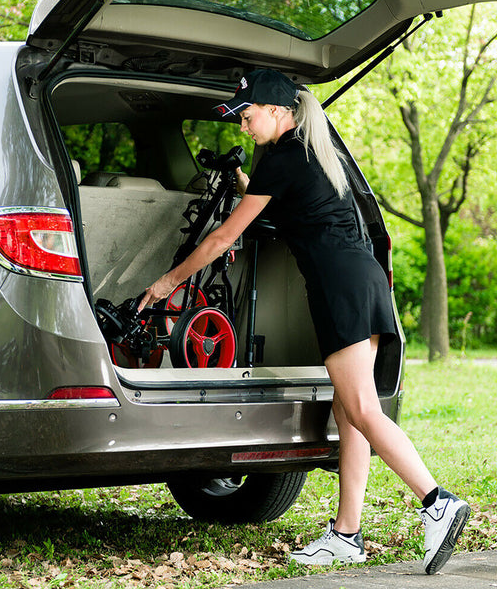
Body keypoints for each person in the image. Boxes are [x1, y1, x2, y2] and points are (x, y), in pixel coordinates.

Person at [138, 68, 470, 574]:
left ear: (277, 111)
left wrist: (167, 282)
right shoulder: (314, 153)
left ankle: (436, 501)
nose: (243, 128)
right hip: (363, 281)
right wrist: (248, 184)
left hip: (340, 288)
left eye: (247, 117)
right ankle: (346, 534)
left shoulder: (285, 156)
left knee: (360, 407)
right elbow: (283, 208)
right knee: (347, 411)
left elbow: (223, 239)